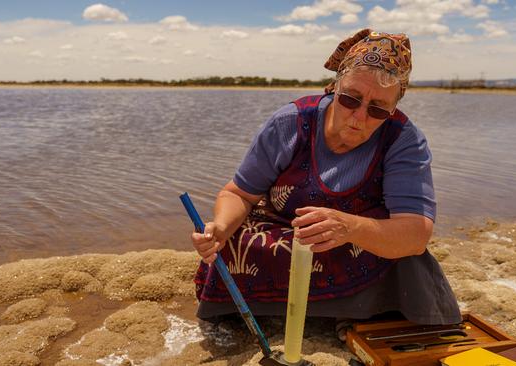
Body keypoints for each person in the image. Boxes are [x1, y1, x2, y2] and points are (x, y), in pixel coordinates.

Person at [190, 29, 461, 327]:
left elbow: (415, 234)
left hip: (361, 245)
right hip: (288, 235)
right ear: (334, 87)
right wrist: (220, 229)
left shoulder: (403, 140)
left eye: (377, 109)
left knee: (406, 255)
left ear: (393, 107)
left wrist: (349, 227)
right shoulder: (290, 122)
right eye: (350, 99)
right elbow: (240, 194)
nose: (359, 117)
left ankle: (350, 311)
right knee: (237, 239)